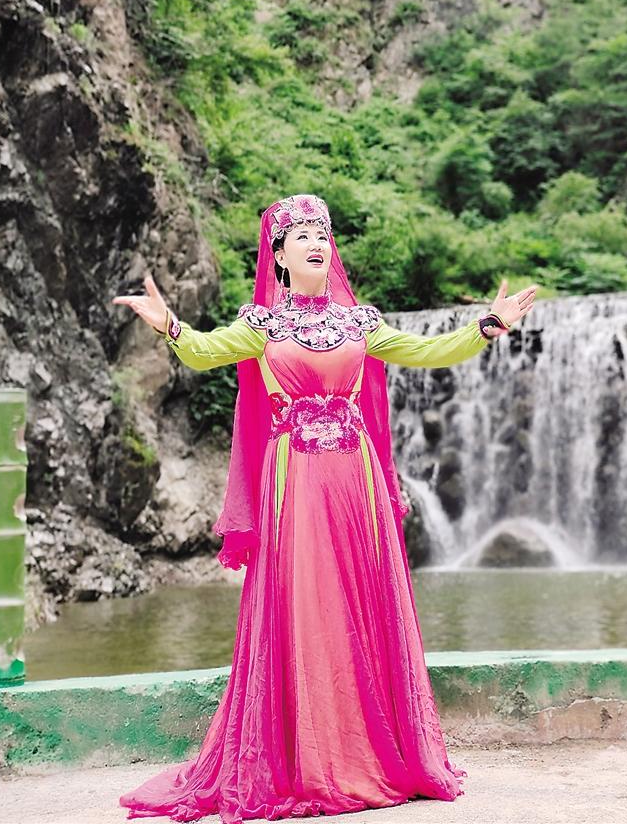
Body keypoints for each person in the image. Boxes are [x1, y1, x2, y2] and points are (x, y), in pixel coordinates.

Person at [113, 193, 536, 822]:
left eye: (323, 233)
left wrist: (485, 327)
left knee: (363, 599)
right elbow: (204, 351)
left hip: (356, 478)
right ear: (279, 255)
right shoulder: (260, 326)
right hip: (297, 479)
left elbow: (424, 351)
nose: (317, 242)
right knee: (307, 600)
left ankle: (373, 750)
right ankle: (311, 759)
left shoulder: (358, 322)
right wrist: (168, 324)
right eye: (303, 235)